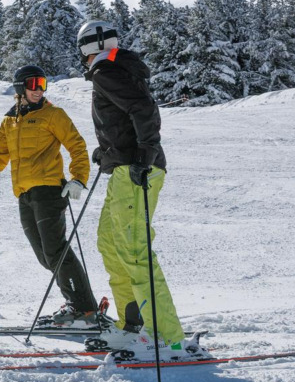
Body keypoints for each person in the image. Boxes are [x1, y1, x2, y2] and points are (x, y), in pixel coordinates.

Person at [77, 20, 207, 359]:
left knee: (134, 250)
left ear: (88, 47)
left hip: (136, 171)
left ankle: (166, 337)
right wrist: (107, 150)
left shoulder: (107, 70)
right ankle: (133, 325)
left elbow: (144, 109)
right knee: (109, 242)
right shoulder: (114, 69)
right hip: (124, 167)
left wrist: (145, 151)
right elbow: (124, 118)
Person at [0, 64, 101, 326]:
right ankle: (77, 304)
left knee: (55, 251)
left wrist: (78, 178)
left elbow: (76, 146)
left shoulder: (53, 114)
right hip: (24, 194)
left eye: (42, 84)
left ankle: (85, 310)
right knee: (45, 256)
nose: (39, 89)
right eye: (34, 84)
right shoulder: (9, 122)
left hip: (49, 191)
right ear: (21, 87)